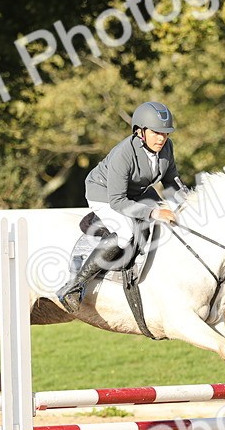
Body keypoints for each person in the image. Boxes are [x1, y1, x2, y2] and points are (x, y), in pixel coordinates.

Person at [57, 101, 190, 312]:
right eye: (156, 132)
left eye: (165, 133)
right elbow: (118, 200)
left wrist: (189, 201)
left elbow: (172, 180)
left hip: (136, 191)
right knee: (125, 232)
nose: (161, 138)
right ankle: (73, 286)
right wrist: (153, 212)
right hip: (105, 194)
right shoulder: (124, 153)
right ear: (140, 131)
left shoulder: (167, 148)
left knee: (174, 217)